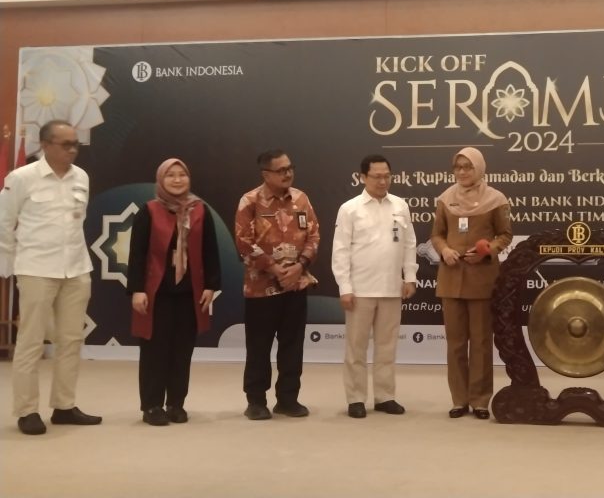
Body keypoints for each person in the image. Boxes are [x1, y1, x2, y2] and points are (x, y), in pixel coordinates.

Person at [0, 120, 102, 435]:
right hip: (36, 269)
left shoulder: (81, 177)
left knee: (71, 340)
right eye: (65, 144)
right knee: (31, 341)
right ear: (45, 145)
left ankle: (64, 406)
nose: (72, 150)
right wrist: (9, 264)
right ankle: (27, 410)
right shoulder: (21, 178)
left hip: (76, 268)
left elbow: (77, 220)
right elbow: (4, 222)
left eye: (75, 144)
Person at [126, 158, 221, 426]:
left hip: (189, 293)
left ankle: (176, 403)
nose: (177, 180)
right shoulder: (149, 210)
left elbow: (211, 250)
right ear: (160, 180)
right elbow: (137, 254)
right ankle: (152, 405)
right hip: (156, 293)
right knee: (155, 350)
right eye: (171, 175)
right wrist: (137, 290)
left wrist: (211, 285)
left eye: (182, 174)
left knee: (182, 351)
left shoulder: (200, 210)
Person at [235, 149, 320, 420]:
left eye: (290, 168)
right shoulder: (250, 201)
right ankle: (256, 401)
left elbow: (314, 236)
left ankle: (288, 399)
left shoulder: (301, 198)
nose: (288, 173)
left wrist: (299, 266)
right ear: (266, 174)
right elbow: (243, 242)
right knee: (258, 347)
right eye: (281, 170)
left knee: (292, 346)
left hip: (296, 285)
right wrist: (273, 267)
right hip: (260, 289)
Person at [332, 154, 418, 419]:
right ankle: (356, 398)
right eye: (377, 176)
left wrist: (410, 277)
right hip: (360, 290)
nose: (383, 181)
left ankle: (385, 396)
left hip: (392, 287)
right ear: (363, 177)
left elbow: (409, 244)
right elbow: (340, 250)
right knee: (356, 348)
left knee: (387, 347)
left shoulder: (400, 205)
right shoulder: (350, 208)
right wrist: (345, 287)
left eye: (387, 176)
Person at [431, 147, 512, 420]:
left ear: (479, 168)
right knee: (455, 344)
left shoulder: (496, 199)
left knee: (480, 342)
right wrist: (444, 250)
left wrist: (488, 250)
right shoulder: (445, 199)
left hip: (482, 280)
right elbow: (437, 235)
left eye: (468, 167)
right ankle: (459, 399)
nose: (463, 172)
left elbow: (505, 235)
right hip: (451, 279)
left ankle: (480, 400)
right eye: (458, 167)